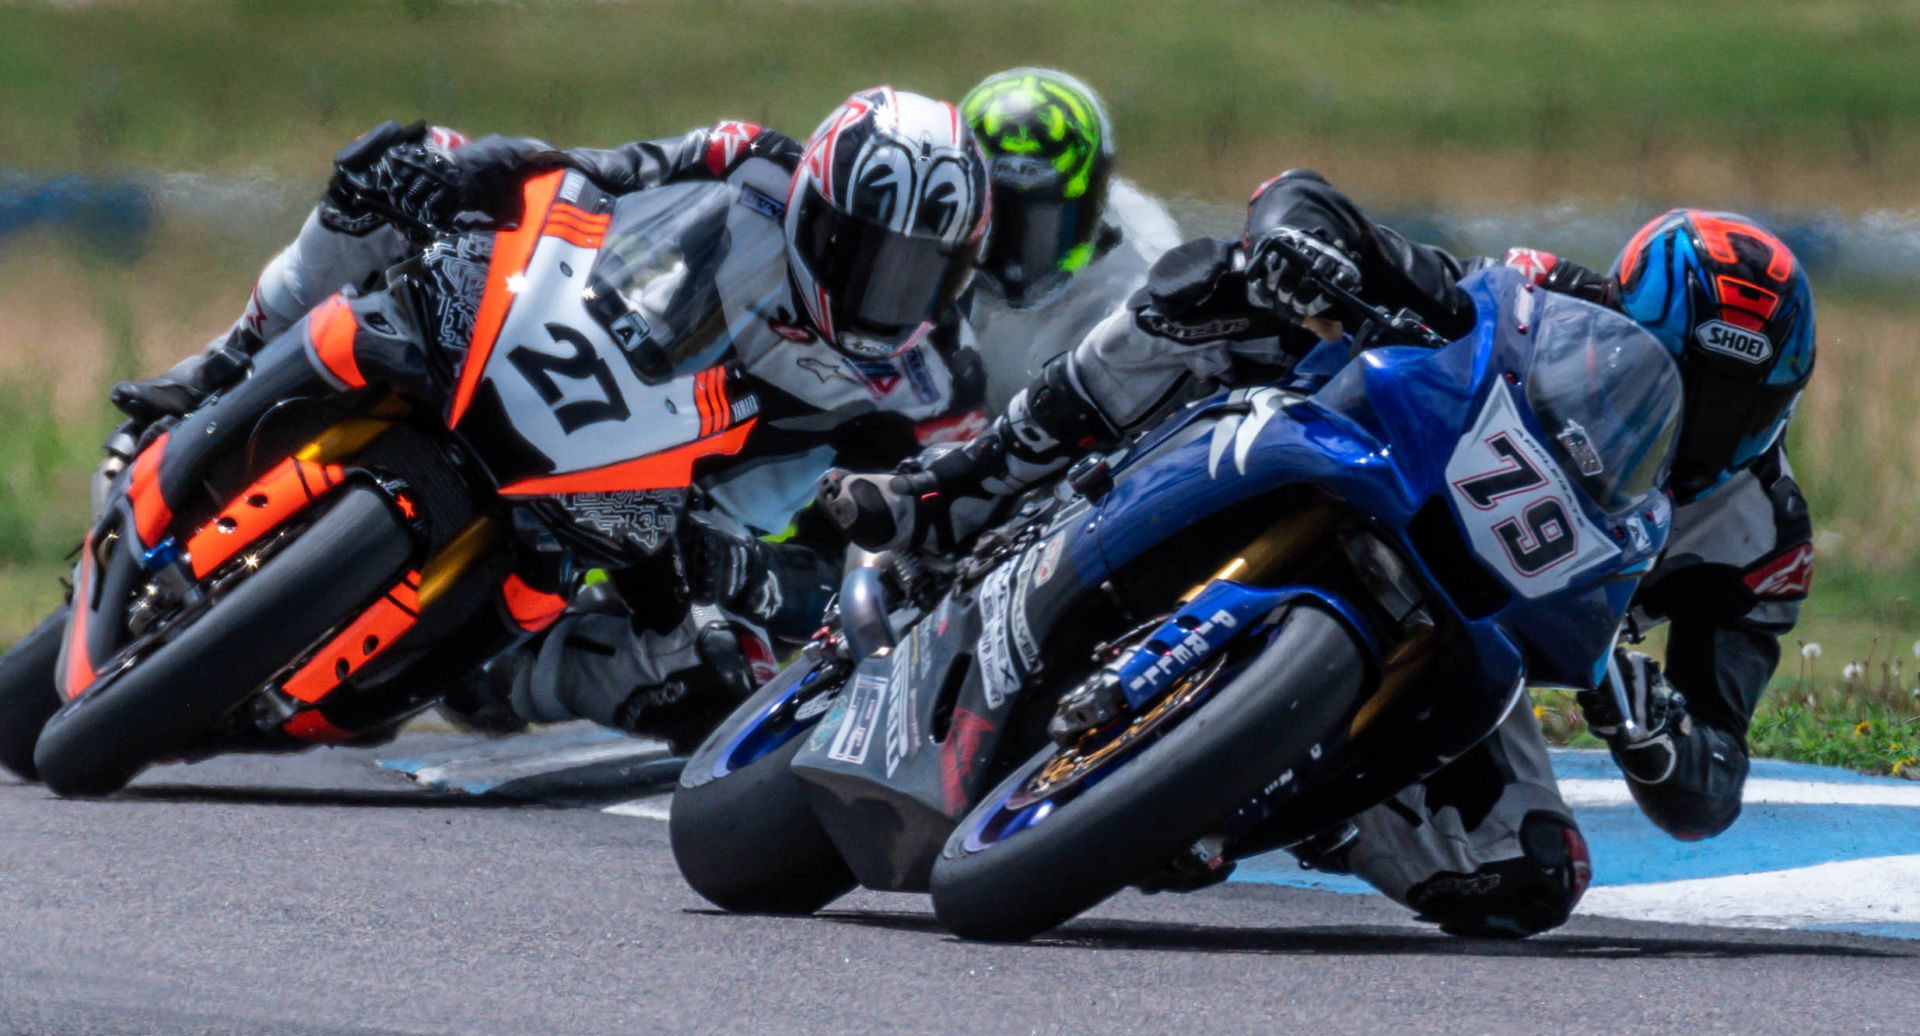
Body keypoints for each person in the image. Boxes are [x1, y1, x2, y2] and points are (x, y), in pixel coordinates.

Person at [819, 170, 1815, 936]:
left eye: (1740, 404)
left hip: (1480, 634)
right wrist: (1309, 240)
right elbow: (1348, 227)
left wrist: (1658, 734)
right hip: (1362, 458)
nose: (1701, 420)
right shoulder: (1543, 300)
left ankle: (1273, 795)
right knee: (1225, 280)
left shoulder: (1761, 535)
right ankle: (959, 489)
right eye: (1682, 377)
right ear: (1626, 321)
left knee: (1531, 874)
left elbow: (1711, 784)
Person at [111, 87, 994, 748]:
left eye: (918, 273)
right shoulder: (749, 161)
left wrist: (743, 570)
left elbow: (891, 571)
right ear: (811, 206)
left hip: (683, 513)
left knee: (725, 678)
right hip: (589, 341)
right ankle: (219, 364)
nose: (883, 294)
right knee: (401, 161)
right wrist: (459, 174)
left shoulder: (932, 386)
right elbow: (592, 173)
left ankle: (498, 671)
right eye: (865, 255)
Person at [956, 68, 1180, 410]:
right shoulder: (925, 252)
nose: (1015, 254)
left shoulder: (1131, 293)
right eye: (999, 218)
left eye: (1039, 222)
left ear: (1092, 205)